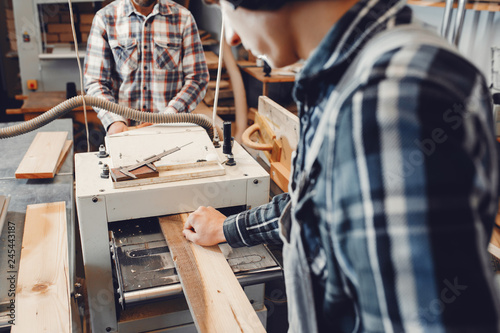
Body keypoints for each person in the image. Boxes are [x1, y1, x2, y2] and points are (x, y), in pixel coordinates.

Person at [183, 0, 500, 332]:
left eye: (227, 8)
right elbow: (317, 207)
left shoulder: (387, 98)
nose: (231, 36)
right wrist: (227, 229)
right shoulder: (349, 78)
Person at [84, 0, 209, 134]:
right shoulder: (105, 18)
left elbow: (197, 78)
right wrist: (114, 120)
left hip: (170, 130)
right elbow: (95, 81)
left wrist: (169, 116)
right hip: (124, 131)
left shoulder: (183, 18)